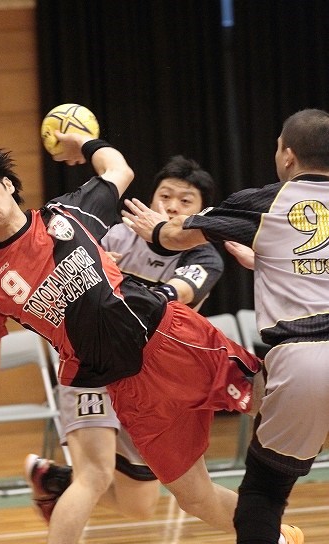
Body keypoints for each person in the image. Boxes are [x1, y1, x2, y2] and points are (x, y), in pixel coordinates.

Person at [0, 130, 286, 544]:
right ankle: (277, 541)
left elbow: (118, 169)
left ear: (7, 184)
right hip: (119, 383)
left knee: (271, 402)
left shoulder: (68, 213)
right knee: (193, 497)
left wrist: (84, 141)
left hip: (166, 336)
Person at [121, 107, 329, 544]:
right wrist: (267, 263)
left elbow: (176, 237)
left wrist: (155, 229)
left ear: (288, 154)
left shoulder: (265, 202)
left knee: (263, 492)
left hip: (304, 359)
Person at [26, 155, 224, 524]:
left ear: (201, 213)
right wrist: (91, 264)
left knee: (139, 506)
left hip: (148, 378)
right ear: (151, 199)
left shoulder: (204, 255)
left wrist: (113, 280)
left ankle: (55, 480)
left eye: (185, 201)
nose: (172, 206)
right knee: (96, 474)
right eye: (165, 195)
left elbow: (178, 292)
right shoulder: (112, 235)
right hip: (93, 366)